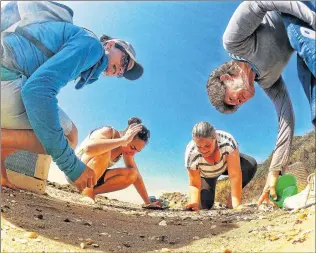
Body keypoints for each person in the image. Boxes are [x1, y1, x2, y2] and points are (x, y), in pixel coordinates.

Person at [1, 1, 144, 191]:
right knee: (69, 136)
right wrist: (72, 167)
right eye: (125, 60)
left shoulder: (85, 49)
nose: (122, 69)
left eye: (124, 72)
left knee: (59, 130)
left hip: (9, 78)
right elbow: (37, 91)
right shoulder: (93, 47)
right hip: (6, 78)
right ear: (110, 45)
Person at [205, 1, 315, 208]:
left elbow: (259, 3)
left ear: (226, 78)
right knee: (310, 85)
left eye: (232, 99)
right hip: (302, 43)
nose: (239, 103)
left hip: (296, 11)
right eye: (237, 105)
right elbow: (286, 118)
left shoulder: (234, 42)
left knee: (298, 35)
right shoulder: (267, 81)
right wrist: (274, 172)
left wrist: (311, 18)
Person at [76, 117, 154, 207]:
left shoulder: (126, 150)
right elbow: (88, 149)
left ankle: (91, 193)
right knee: (105, 151)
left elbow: (137, 177)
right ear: (127, 136)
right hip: (77, 172)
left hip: (92, 179)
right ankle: (87, 193)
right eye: (133, 147)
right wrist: (123, 140)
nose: (133, 153)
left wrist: (148, 203)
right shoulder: (108, 131)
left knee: (133, 173)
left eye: (137, 151)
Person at [184, 122, 257, 211]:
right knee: (205, 206)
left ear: (214, 137)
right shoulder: (191, 153)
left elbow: (234, 175)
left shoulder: (227, 140)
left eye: (207, 145)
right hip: (208, 175)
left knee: (250, 164)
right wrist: (194, 203)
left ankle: (232, 202)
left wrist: (236, 205)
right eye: (199, 146)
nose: (203, 150)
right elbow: (194, 184)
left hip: (226, 165)